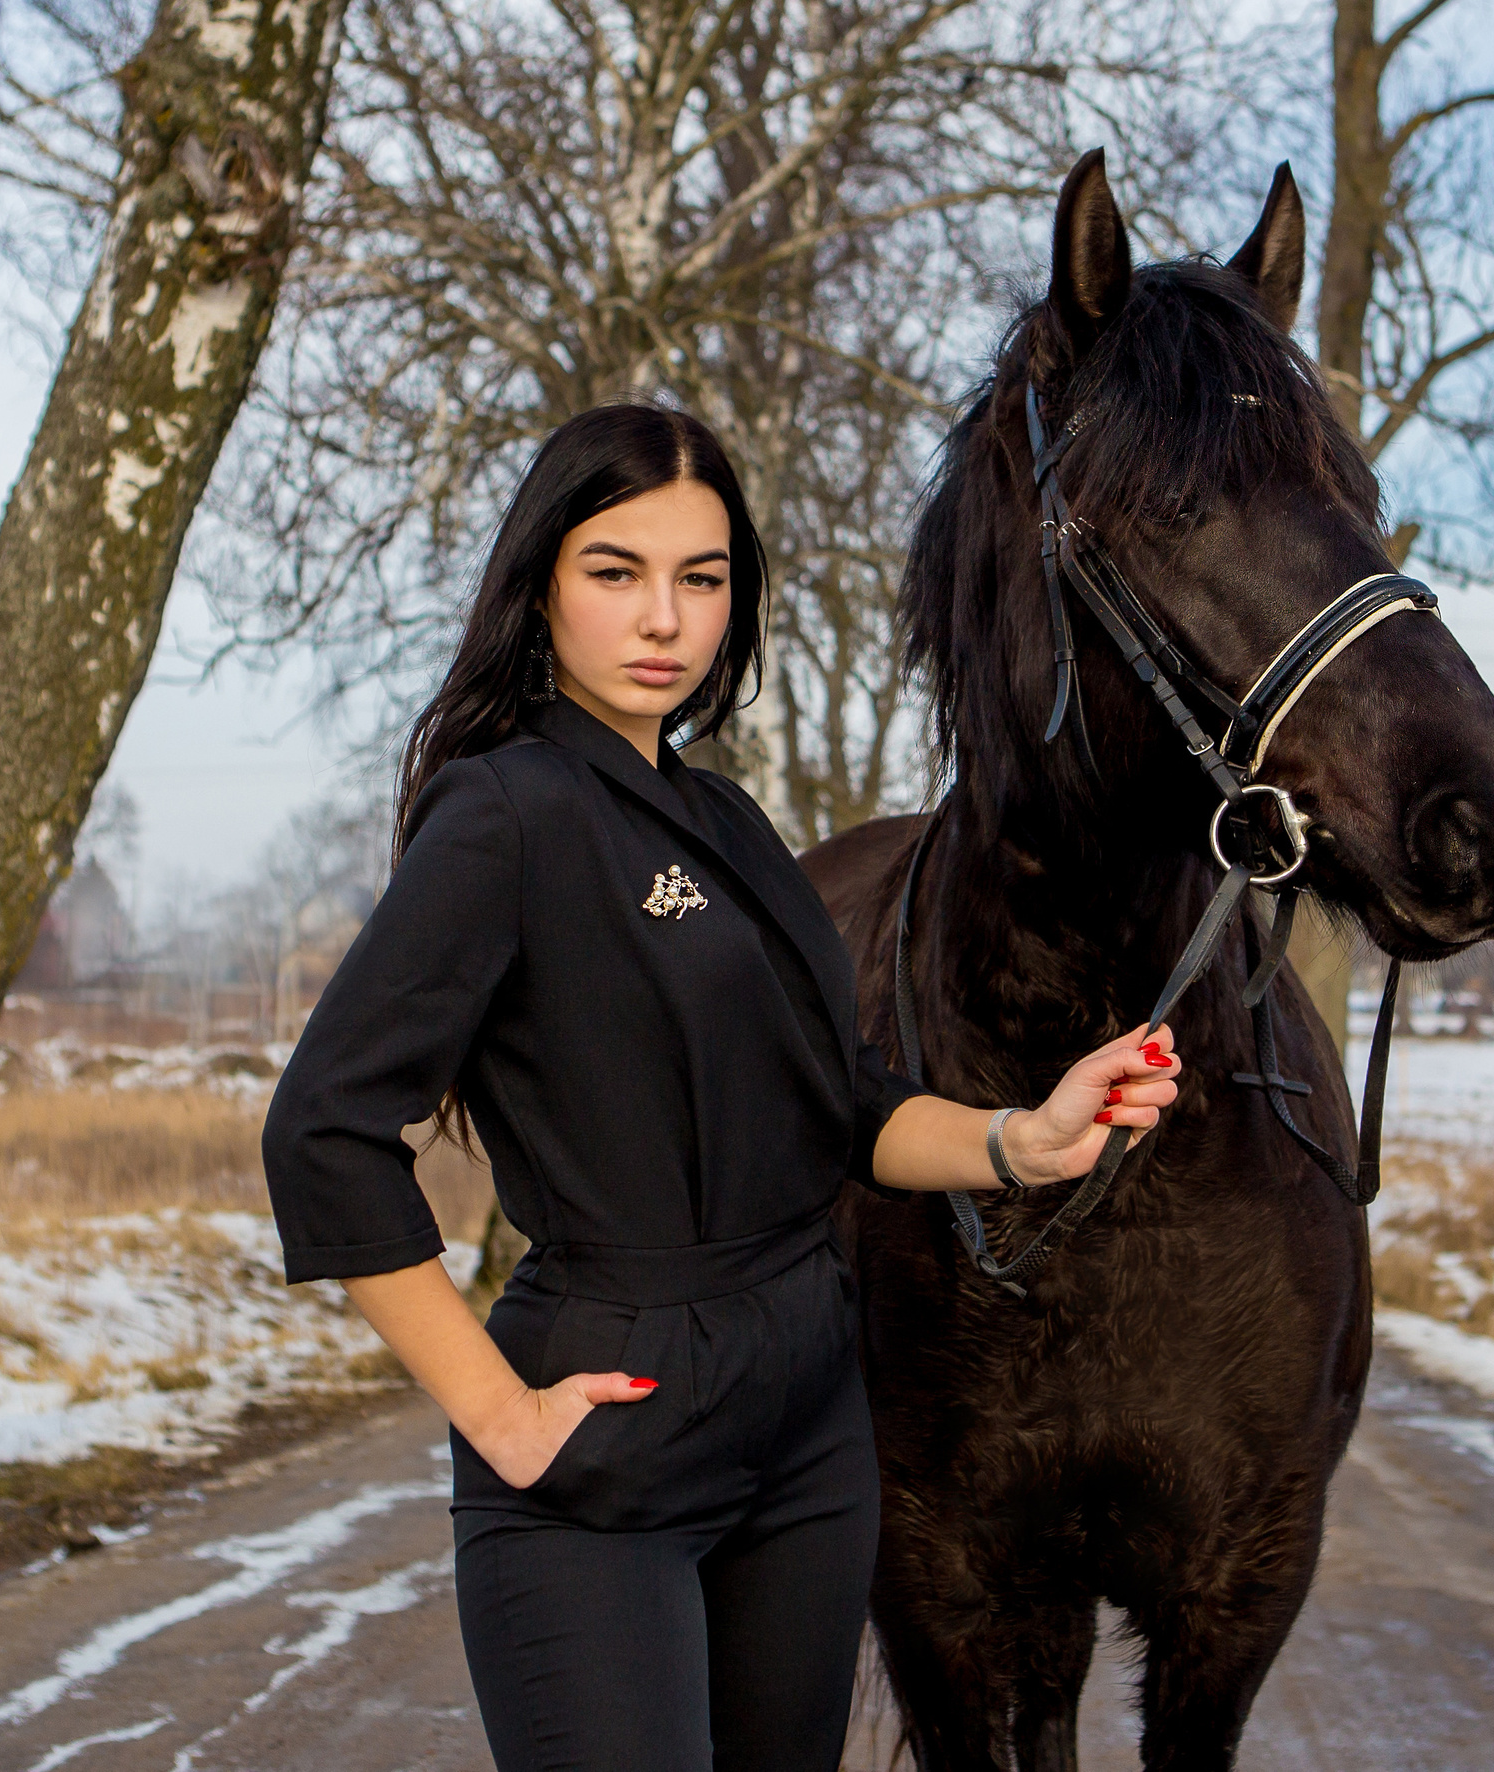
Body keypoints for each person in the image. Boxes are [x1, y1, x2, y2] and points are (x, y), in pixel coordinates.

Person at [262, 403, 1181, 1772]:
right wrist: (503, 1414)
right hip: (612, 1439)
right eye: (616, 571)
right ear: (541, 587)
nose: (665, 619)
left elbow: (851, 1110)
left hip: (809, 1426)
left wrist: (1023, 1139)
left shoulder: (728, 823)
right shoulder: (506, 812)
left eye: (702, 579)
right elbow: (322, 1133)